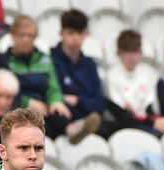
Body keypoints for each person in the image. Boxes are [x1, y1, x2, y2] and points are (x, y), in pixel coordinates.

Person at [5, 14, 99, 143]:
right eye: (22, 35)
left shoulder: (45, 59)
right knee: (44, 130)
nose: (26, 39)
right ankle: (71, 129)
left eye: (31, 35)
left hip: (44, 108)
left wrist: (56, 101)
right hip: (17, 108)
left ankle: (73, 129)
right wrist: (28, 102)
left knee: (57, 111)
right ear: (12, 35)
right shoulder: (3, 61)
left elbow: (53, 87)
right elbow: (5, 92)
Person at [49, 9, 112, 139]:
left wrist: (78, 100)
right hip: (64, 118)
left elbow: (100, 101)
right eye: (71, 33)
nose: (76, 38)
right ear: (61, 34)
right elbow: (55, 97)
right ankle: (76, 128)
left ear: (86, 34)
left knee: (114, 119)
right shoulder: (51, 59)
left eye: (80, 33)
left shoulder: (89, 63)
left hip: (90, 117)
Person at [105, 29, 164, 137]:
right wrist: (152, 123)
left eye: (135, 51)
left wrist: (157, 121)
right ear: (118, 54)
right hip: (125, 124)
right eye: (127, 52)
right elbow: (121, 113)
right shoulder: (111, 76)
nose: (131, 57)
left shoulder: (146, 75)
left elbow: (149, 107)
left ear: (141, 53)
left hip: (145, 122)